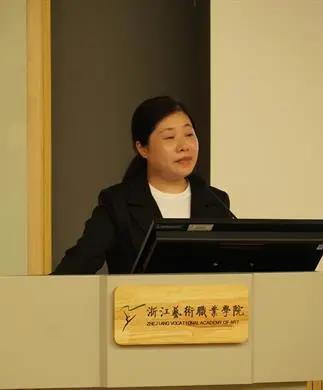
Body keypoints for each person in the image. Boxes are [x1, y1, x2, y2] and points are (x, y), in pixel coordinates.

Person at [52, 96, 234, 275]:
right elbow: (75, 268)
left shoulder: (216, 201)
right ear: (143, 148)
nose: (183, 146)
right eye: (169, 137)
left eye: (189, 134)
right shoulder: (117, 203)